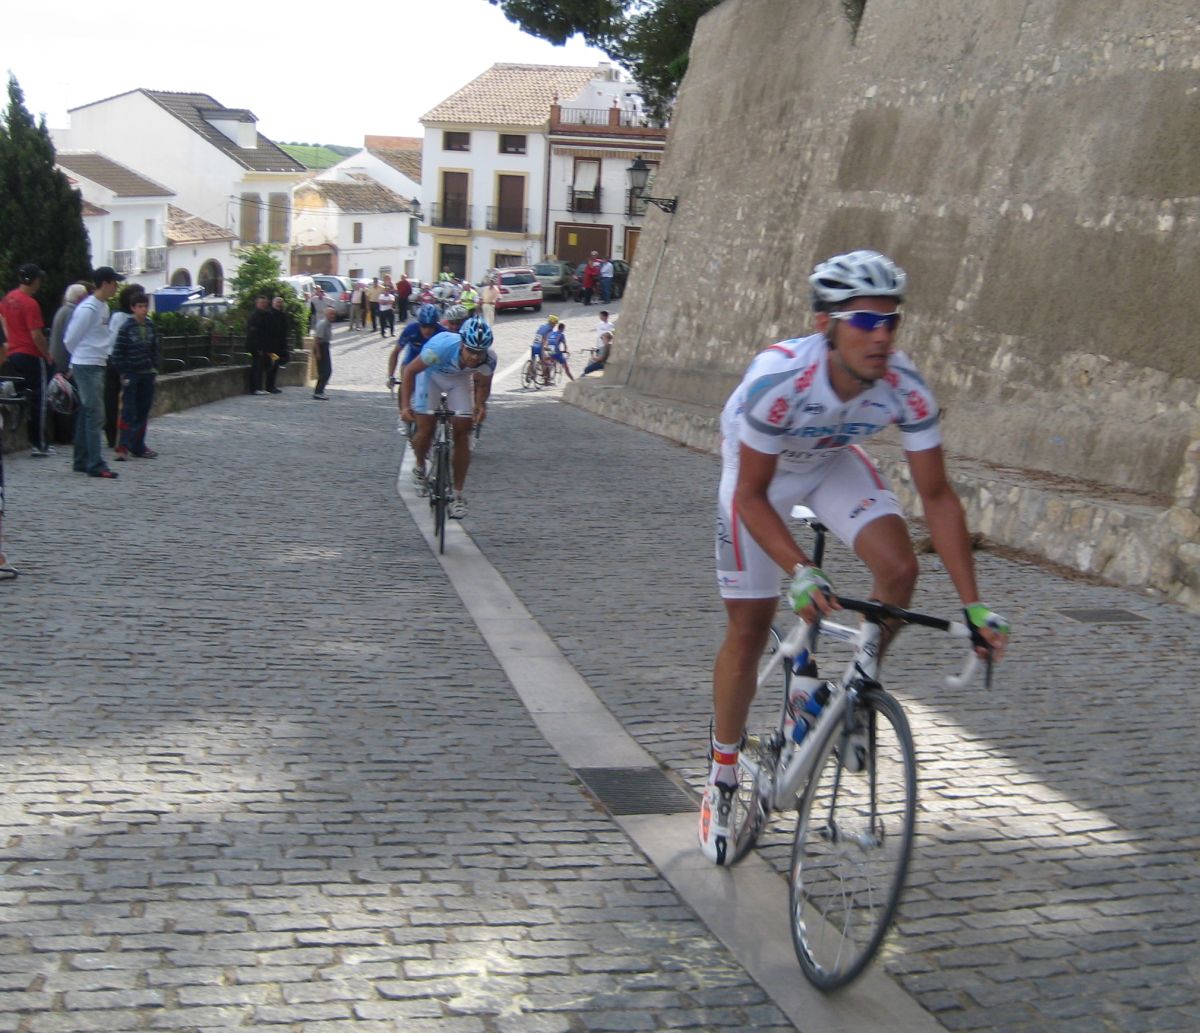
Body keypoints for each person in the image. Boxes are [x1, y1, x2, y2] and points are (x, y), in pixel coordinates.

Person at [699, 249, 1010, 866]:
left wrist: (974, 607)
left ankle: (854, 693)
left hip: (830, 461)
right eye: (866, 321)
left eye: (891, 320)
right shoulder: (779, 380)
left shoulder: (904, 384)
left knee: (900, 569)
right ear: (826, 324)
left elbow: (938, 497)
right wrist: (799, 570)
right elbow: (751, 496)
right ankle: (723, 774)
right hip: (759, 480)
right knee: (750, 627)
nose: (882, 335)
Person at [399, 316, 497, 520]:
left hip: (459, 381)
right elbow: (410, 371)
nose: (475, 357)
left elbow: (484, 385)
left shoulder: (489, 359)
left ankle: (458, 495)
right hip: (430, 376)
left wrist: (480, 405)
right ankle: (420, 466)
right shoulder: (440, 348)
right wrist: (406, 406)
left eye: (479, 352)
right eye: (470, 350)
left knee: (463, 432)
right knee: (426, 428)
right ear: (462, 344)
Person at [64, 265, 125, 479]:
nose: (116, 286)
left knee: (87, 412)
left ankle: (81, 459)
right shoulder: (89, 308)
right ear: (105, 283)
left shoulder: (103, 306)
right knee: (95, 413)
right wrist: (79, 357)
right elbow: (70, 338)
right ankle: (95, 463)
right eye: (114, 282)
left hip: (96, 362)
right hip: (87, 364)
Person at [0, 263, 53, 455]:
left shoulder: (8, 298)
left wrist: (10, 340)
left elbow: (3, 320)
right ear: (34, 281)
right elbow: (36, 335)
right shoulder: (30, 304)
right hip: (31, 354)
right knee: (39, 398)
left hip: (13, 353)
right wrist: (47, 354)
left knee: (23, 395)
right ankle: (39, 443)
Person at [110, 291, 160, 459]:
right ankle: (123, 447)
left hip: (147, 373)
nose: (143, 309)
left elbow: (155, 348)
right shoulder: (126, 327)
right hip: (132, 374)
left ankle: (138, 445)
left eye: (145, 306)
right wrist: (124, 371)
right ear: (133, 308)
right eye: (140, 306)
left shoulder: (150, 326)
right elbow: (118, 352)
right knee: (128, 411)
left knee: (143, 411)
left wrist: (154, 367)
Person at [388, 302, 443, 425]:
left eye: (431, 327)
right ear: (419, 323)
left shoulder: (442, 332)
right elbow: (396, 352)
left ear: (436, 325)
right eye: (424, 326)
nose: (427, 330)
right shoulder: (411, 330)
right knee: (405, 381)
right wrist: (391, 375)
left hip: (432, 361)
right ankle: (403, 413)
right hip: (412, 358)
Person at [245, 295, 272, 395]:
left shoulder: (266, 315)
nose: (264, 305)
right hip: (256, 346)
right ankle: (256, 388)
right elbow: (253, 333)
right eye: (262, 303)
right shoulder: (255, 316)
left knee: (263, 366)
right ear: (257, 304)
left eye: (265, 303)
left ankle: (260, 387)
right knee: (257, 366)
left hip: (264, 346)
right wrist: (257, 347)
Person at [265, 296, 290, 394]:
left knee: (276, 365)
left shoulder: (283, 315)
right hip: (271, 346)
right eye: (277, 302)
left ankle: (272, 385)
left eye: (281, 302)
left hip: (280, 345)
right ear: (273, 303)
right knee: (272, 365)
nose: (279, 304)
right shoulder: (269, 314)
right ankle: (269, 386)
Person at [311, 305, 334, 400]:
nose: (332, 316)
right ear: (326, 314)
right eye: (330, 314)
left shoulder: (328, 324)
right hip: (321, 347)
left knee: (325, 371)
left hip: (324, 347)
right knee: (326, 371)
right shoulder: (323, 324)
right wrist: (318, 353)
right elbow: (317, 339)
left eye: (333, 314)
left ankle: (319, 391)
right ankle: (318, 392)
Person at [530, 313, 558, 380]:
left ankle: (530, 371)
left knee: (533, 360)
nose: (555, 325)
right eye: (555, 324)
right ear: (553, 323)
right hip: (540, 347)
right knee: (545, 360)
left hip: (534, 345)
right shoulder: (550, 330)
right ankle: (546, 377)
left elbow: (538, 336)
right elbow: (547, 340)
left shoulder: (542, 326)